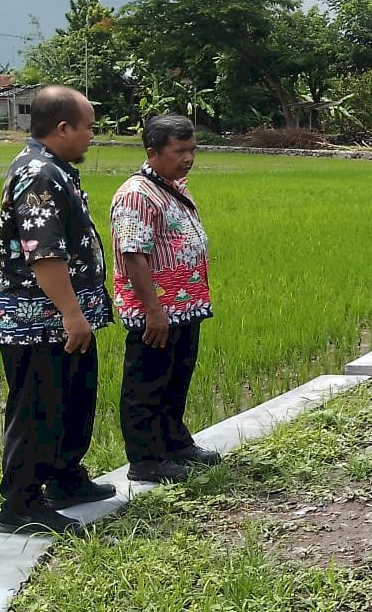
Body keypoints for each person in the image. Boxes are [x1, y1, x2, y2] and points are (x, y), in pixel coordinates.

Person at [0, 85, 115, 535]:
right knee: (38, 410)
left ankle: (65, 477)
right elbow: (44, 254)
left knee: (73, 401)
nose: (92, 137)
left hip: (59, 316)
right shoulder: (41, 173)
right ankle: (20, 504)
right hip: (40, 321)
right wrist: (72, 315)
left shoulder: (55, 169)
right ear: (63, 128)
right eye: (89, 128)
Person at [110, 115, 219, 483]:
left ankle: (175, 442)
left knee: (177, 376)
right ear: (153, 152)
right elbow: (132, 253)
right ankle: (146, 459)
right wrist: (153, 312)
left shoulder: (173, 185)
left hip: (185, 303)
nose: (188, 157)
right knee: (147, 383)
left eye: (192, 150)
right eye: (180, 151)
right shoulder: (137, 195)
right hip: (156, 310)